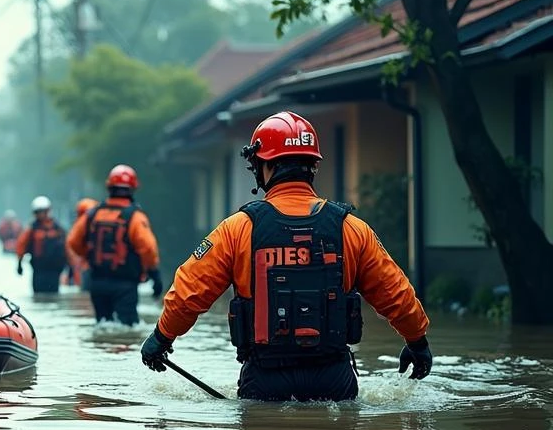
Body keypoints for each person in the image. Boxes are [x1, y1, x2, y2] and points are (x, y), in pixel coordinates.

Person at [140, 111, 432, 402]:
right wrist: (417, 341)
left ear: (264, 166)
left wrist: (162, 338)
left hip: (265, 381)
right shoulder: (352, 229)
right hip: (334, 380)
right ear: (312, 166)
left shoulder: (237, 229)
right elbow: (397, 294)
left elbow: (189, 292)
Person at [67, 165, 162, 325]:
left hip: (97, 283)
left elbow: (73, 241)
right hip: (125, 284)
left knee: (103, 324)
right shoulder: (136, 217)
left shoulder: (92, 214)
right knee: (127, 329)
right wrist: (154, 274)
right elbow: (148, 248)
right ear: (132, 189)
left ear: (109, 187)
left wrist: (88, 255)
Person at [15, 195, 68, 294]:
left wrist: (70, 268)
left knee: (53, 295)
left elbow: (67, 248)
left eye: (41, 211)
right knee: (39, 295)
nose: (40, 214)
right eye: (37, 212)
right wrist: (19, 264)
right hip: (39, 270)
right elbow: (21, 245)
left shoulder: (58, 229)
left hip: (54, 271)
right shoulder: (31, 229)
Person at [71, 197, 98, 290]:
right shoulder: (103, 220)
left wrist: (83, 253)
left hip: (87, 266)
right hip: (105, 267)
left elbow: (73, 242)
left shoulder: (82, 222)